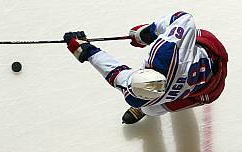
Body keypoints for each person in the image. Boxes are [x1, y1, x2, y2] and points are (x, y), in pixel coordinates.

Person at [63, 11, 229, 124]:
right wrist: (147, 33)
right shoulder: (165, 53)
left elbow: (114, 72)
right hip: (211, 70)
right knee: (151, 107)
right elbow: (183, 18)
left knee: (149, 110)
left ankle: (142, 111)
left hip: (207, 88)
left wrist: (86, 51)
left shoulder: (141, 99)